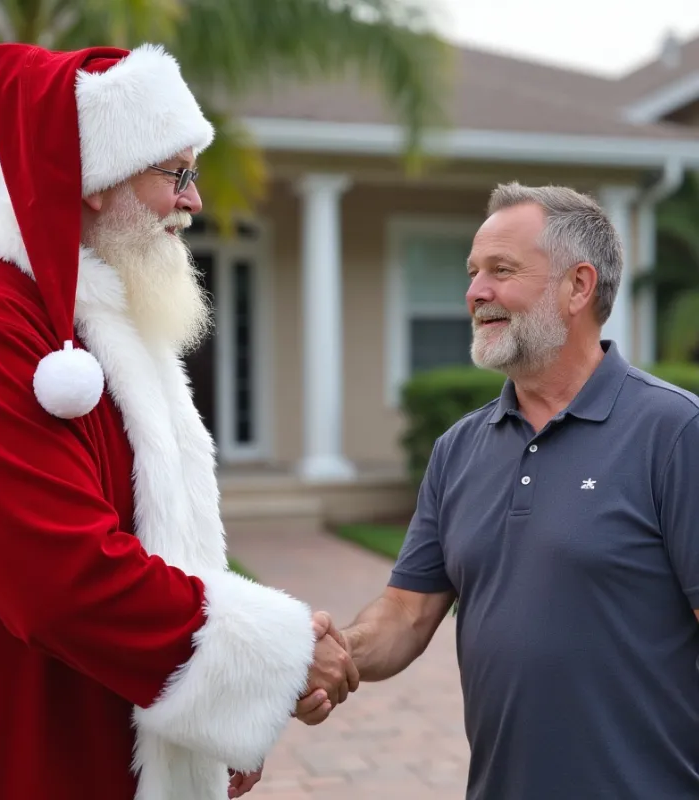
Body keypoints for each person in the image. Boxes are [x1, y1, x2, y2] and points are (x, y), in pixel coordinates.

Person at [0, 42, 357, 800]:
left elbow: (168, 552)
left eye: (193, 174)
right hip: (3, 756)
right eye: (173, 173)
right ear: (92, 183)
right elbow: (63, 580)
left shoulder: (100, 328)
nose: (194, 201)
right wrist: (274, 657)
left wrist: (222, 720)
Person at [297, 183, 699, 798]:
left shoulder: (674, 433)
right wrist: (334, 652)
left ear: (578, 286)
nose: (474, 293)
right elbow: (406, 614)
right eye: (473, 273)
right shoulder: (458, 449)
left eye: (501, 271)